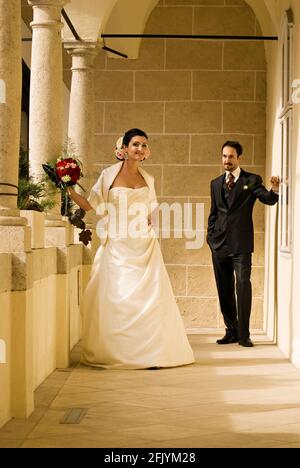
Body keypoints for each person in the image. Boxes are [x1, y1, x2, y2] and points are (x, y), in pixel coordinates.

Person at [68, 128, 195, 369]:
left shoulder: (149, 179)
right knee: (119, 296)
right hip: (117, 244)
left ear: (147, 152)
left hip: (144, 243)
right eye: (135, 144)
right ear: (124, 149)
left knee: (149, 298)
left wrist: (152, 228)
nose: (140, 149)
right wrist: (68, 188)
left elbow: (153, 209)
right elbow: (89, 205)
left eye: (144, 145)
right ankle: (119, 352)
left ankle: (152, 352)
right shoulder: (108, 175)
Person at [207, 141, 279, 347]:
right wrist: (210, 237)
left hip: (241, 246)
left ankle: (244, 334)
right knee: (224, 289)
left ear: (239, 157)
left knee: (242, 285)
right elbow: (214, 213)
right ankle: (231, 331)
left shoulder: (251, 180)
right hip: (219, 245)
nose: (226, 160)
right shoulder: (215, 183)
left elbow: (268, 199)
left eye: (230, 156)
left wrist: (274, 189)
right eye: (223, 156)